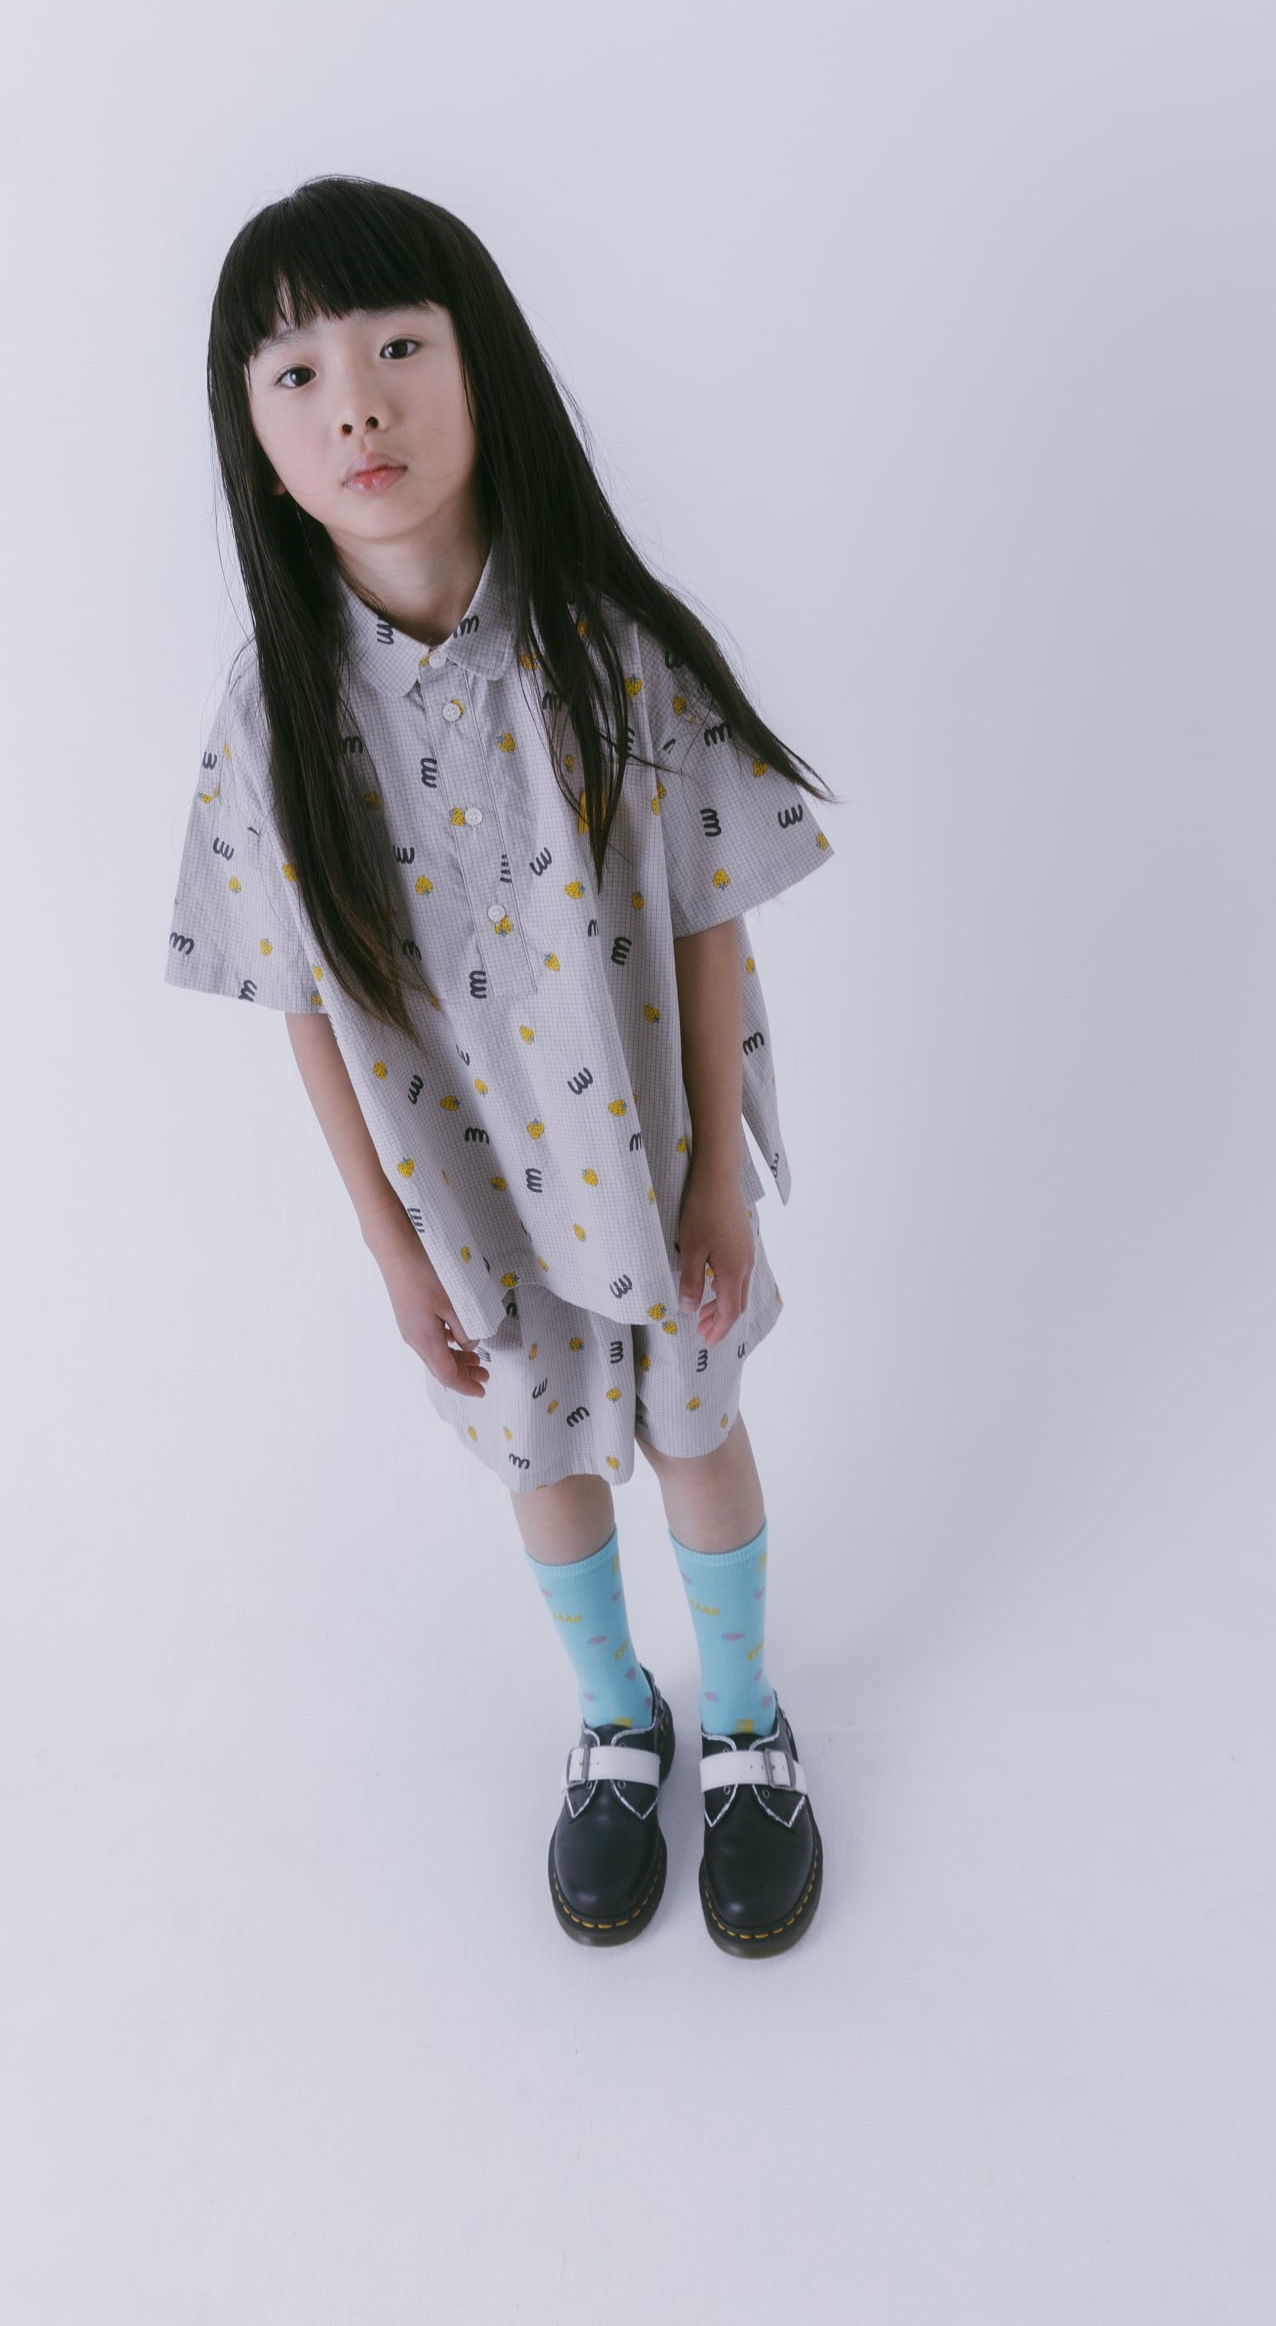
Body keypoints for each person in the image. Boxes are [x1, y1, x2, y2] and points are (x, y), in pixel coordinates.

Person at [165, 174, 841, 1957]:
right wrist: (393, 1249)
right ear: (256, 440)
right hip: (468, 1187)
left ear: (484, 370)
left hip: (651, 1153)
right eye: (297, 375)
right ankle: (619, 1723)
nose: (356, 405)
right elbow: (304, 1001)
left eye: (398, 347)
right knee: (539, 1446)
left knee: (695, 1421)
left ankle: (747, 1722)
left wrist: (718, 1176)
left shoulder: (612, 646)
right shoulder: (270, 717)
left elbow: (708, 911)